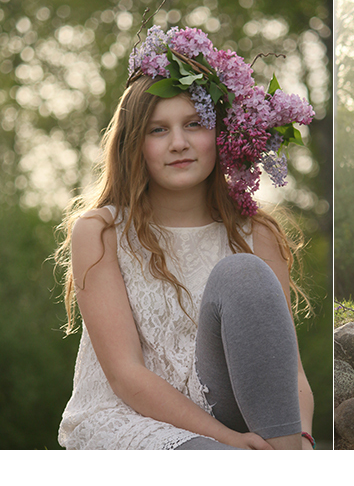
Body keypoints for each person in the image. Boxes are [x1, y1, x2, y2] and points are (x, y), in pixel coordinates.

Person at [56, 24, 317, 450]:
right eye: (158, 130)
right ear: (134, 144)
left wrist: (302, 437)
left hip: (232, 412)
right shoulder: (101, 232)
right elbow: (125, 375)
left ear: (220, 134)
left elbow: (289, 373)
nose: (178, 142)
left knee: (243, 273)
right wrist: (229, 441)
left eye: (194, 124)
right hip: (131, 416)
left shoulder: (258, 233)